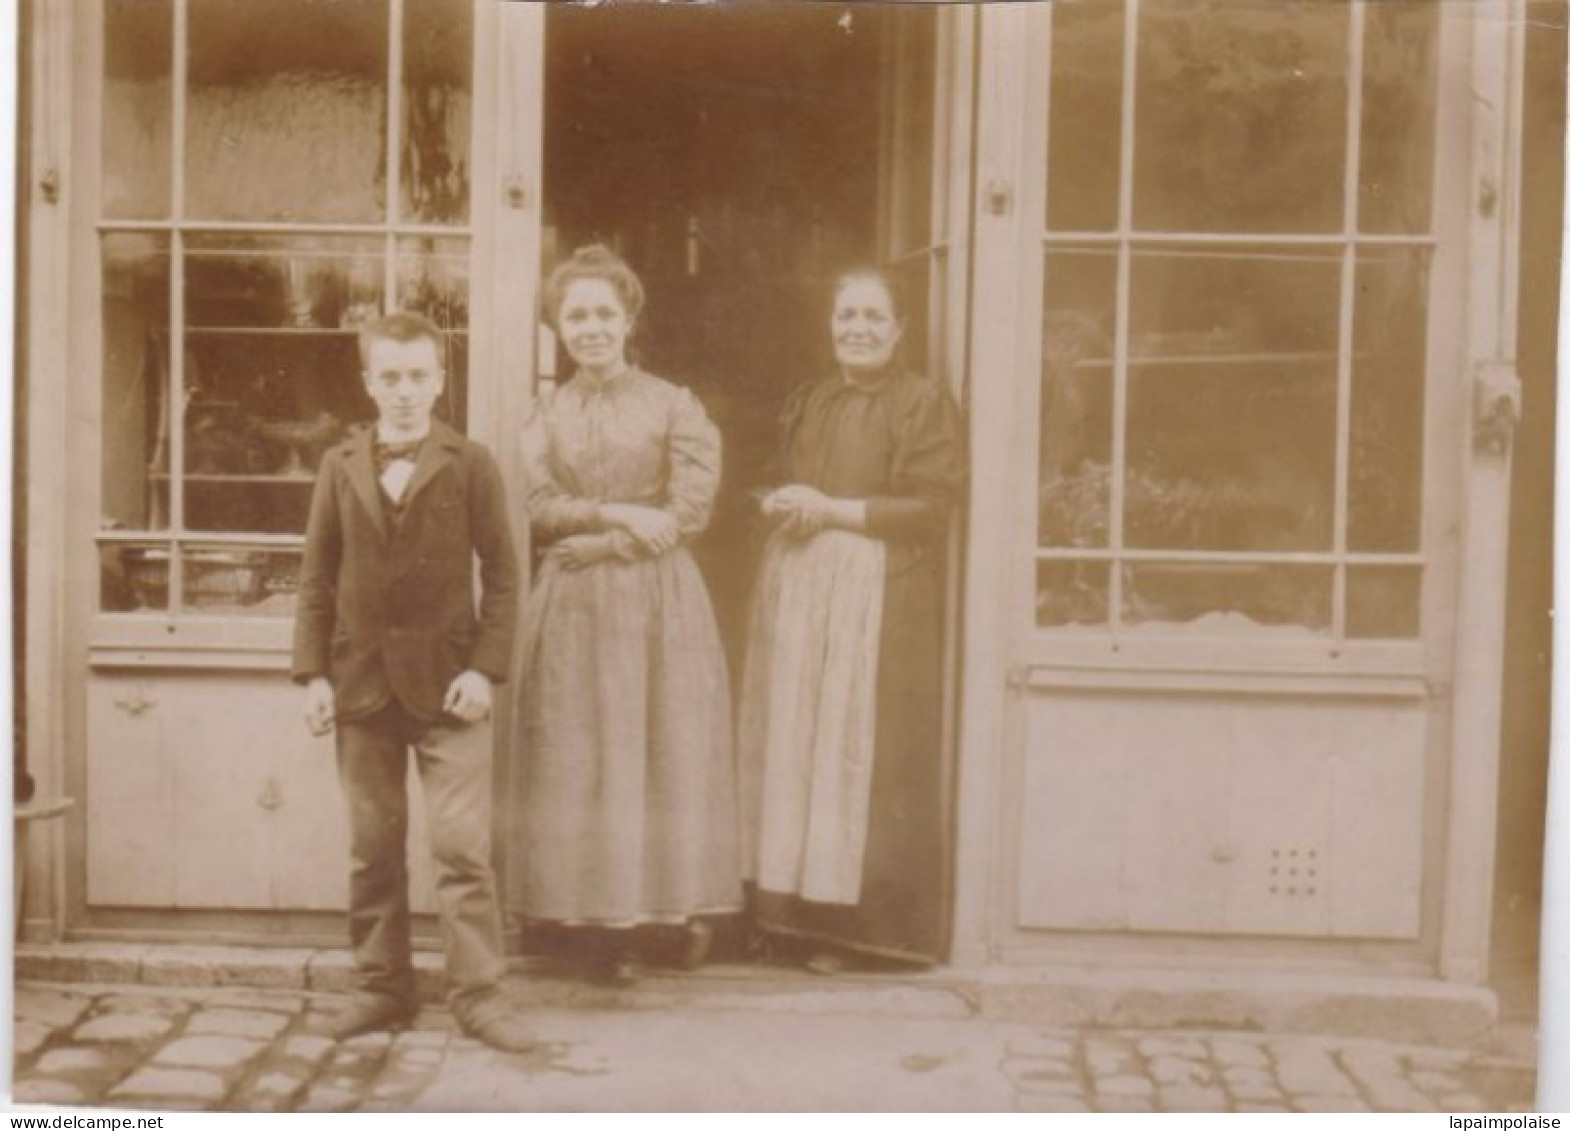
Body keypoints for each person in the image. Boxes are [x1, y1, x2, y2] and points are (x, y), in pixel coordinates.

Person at [291, 311, 534, 1051]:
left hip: (449, 690)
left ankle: (480, 996)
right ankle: (381, 987)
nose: (403, 392)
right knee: (373, 845)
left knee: (462, 848)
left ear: (439, 380)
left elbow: (503, 577)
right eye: (389, 376)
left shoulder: (471, 462)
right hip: (361, 687)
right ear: (368, 381)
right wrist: (312, 675)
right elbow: (314, 581)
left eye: (418, 376)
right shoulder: (340, 466)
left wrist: (484, 670)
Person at [510, 245, 741, 984]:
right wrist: (612, 512)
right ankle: (579, 921)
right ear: (557, 326)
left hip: (653, 598)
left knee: (655, 745)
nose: (591, 328)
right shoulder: (545, 413)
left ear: (630, 318)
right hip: (572, 606)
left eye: (604, 313)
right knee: (578, 753)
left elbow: (688, 511)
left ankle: (660, 919)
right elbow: (539, 507)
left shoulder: (674, 403)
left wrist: (608, 542)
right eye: (575, 315)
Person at [738, 267, 966, 971]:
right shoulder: (811, 399)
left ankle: (862, 933)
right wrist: (777, 501)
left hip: (881, 595)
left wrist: (832, 511)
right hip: (804, 592)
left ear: (899, 329)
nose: (858, 329)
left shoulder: (922, 402)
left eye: (873, 317)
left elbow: (933, 507)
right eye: (846, 317)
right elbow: (772, 476)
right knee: (797, 747)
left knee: (862, 753)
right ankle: (792, 922)